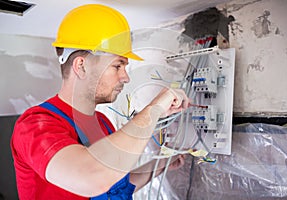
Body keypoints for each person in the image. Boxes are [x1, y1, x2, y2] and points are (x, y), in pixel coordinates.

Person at [11, 4, 189, 200]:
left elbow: (116, 187)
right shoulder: (36, 126)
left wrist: (160, 165)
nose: (125, 77)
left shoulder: (103, 122)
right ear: (82, 65)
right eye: (117, 65)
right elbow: (92, 177)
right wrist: (154, 109)